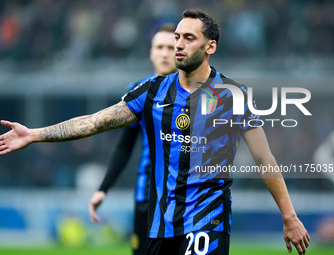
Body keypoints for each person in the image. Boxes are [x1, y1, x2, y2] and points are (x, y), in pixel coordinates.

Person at [0, 9, 310, 255]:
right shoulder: (151, 92)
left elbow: (264, 158)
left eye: (189, 38)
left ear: (210, 46)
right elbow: (95, 121)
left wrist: (289, 215)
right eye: (177, 37)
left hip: (208, 223)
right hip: (159, 227)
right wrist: (35, 134)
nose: (178, 44)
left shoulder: (233, 97)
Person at [88, 23, 177, 255]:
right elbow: (125, 145)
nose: (165, 53)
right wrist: (103, 188)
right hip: (147, 196)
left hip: (185, 198)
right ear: (151, 52)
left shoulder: (198, 93)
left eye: (171, 47)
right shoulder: (138, 91)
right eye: (160, 47)